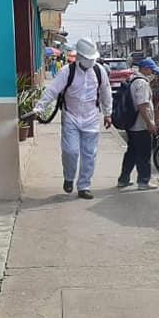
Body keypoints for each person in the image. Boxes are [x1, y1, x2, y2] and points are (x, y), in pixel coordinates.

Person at [34, 37, 112, 200]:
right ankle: (69, 177)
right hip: (71, 117)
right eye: (88, 58)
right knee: (70, 151)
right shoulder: (67, 72)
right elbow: (52, 91)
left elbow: (106, 92)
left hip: (91, 117)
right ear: (80, 57)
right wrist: (39, 108)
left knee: (89, 155)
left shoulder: (99, 71)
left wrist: (107, 113)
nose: (91, 61)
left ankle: (84, 186)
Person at [117, 58, 158, 190]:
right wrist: (149, 123)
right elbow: (142, 106)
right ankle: (143, 181)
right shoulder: (142, 83)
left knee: (132, 153)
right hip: (140, 125)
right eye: (152, 70)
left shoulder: (133, 80)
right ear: (145, 69)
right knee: (144, 155)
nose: (153, 73)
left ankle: (123, 179)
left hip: (132, 124)